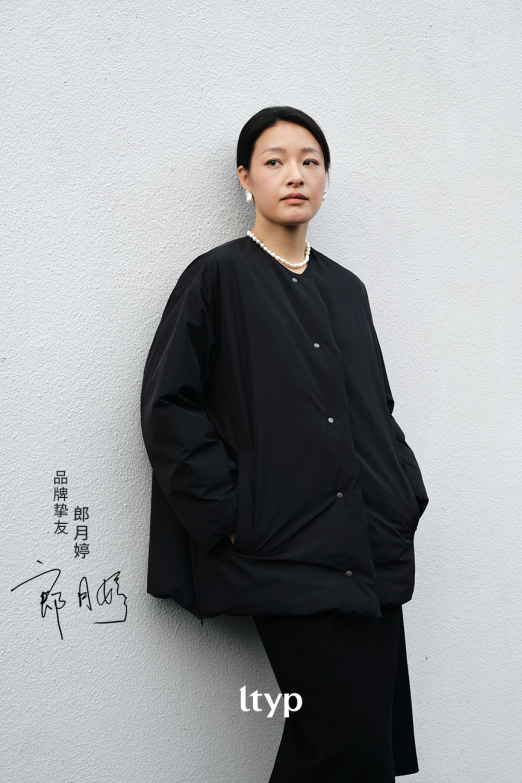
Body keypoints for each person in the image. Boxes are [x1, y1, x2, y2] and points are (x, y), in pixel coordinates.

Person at [140, 106, 429, 781]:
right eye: (274, 161)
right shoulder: (217, 278)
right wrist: (231, 516)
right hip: (285, 551)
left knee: (363, 747)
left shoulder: (347, 289)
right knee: (342, 743)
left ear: (325, 177)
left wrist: (403, 494)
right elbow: (169, 407)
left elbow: (376, 410)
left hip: (369, 547)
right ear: (246, 178)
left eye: (310, 161)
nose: (294, 174)